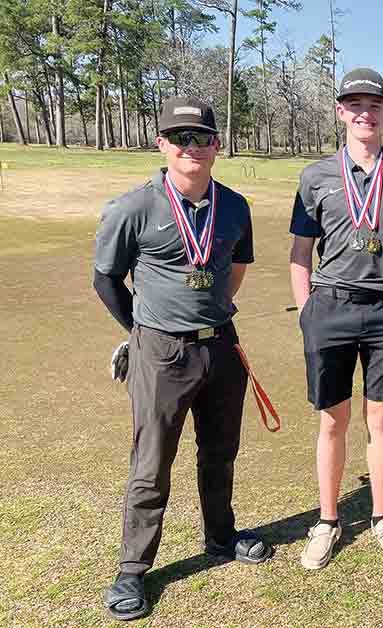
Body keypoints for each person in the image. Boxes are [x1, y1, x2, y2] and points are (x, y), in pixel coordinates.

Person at [94, 97, 269, 621]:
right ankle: (132, 569)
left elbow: (236, 267)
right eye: (180, 137)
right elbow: (105, 278)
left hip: (220, 345)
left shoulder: (235, 205)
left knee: (220, 451)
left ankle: (221, 535)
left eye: (201, 137)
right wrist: (142, 329)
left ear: (217, 144)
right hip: (160, 351)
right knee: (151, 462)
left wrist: (213, 309)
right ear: (162, 144)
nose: (191, 146)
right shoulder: (134, 207)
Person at [289, 68, 383, 568]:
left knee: (380, 418)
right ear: (340, 112)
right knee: (332, 419)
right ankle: (328, 520)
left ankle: (382, 516)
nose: (364, 113)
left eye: (374, 105)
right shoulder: (316, 176)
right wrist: (307, 310)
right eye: (354, 104)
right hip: (331, 308)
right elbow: (301, 251)